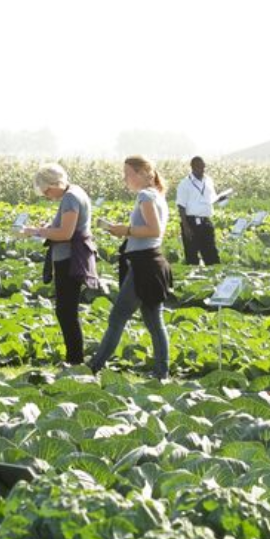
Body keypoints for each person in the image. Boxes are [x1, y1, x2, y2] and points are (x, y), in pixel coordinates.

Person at [88, 155, 172, 379]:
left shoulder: (146, 195)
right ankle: (162, 371)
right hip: (152, 262)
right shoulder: (157, 196)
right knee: (154, 321)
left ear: (142, 173)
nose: (125, 179)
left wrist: (124, 230)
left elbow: (153, 230)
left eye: (128, 174)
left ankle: (94, 367)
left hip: (144, 264)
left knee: (118, 317)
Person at [22, 163, 94, 365]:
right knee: (67, 310)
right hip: (70, 258)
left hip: (69, 260)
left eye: (46, 190)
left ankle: (75, 360)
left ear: (55, 184)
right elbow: (64, 227)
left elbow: (65, 233)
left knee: (66, 311)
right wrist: (49, 227)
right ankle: (74, 359)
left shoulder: (70, 198)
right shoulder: (75, 192)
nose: (46, 194)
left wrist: (36, 231)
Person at [175, 156, 219, 265]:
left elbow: (212, 198)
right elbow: (181, 206)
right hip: (191, 223)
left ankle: (214, 279)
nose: (202, 169)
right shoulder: (185, 183)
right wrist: (186, 227)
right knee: (192, 256)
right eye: (200, 167)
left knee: (212, 255)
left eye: (204, 167)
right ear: (193, 167)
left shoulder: (208, 181)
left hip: (206, 222)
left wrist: (221, 198)